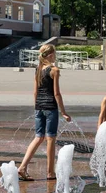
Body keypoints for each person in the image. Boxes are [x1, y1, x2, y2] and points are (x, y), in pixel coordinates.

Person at [18, 44, 71, 181]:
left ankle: (23, 167)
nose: (56, 56)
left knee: (38, 137)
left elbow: (35, 91)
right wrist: (64, 112)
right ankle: (50, 173)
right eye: (55, 53)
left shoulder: (38, 69)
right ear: (50, 55)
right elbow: (57, 94)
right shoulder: (54, 70)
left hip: (39, 107)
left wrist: (37, 106)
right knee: (51, 139)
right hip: (51, 108)